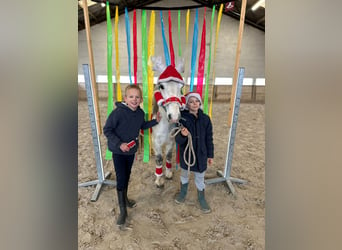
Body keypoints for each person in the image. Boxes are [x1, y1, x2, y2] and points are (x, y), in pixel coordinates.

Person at [103, 84, 161, 227]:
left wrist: (155, 121)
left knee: (127, 175)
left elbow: (142, 126)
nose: (134, 100)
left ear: (141, 99)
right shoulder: (118, 113)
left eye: (137, 97)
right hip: (118, 151)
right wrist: (119, 143)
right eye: (131, 97)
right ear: (125, 98)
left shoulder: (140, 113)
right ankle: (123, 210)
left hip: (131, 151)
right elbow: (107, 130)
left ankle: (126, 199)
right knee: (121, 178)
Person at [174, 92, 214, 213]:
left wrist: (210, 155)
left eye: (196, 101)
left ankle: (201, 197)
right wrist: (182, 134)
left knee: (200, 177)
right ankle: (183, 192)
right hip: (187, 154)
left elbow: (209, 138)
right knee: (185, 174)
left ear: (200, 102)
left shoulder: (206, 119)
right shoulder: (182, 119)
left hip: (201, 154)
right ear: (187, 104)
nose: (194, 103)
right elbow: (178, 140)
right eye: (191, 102)